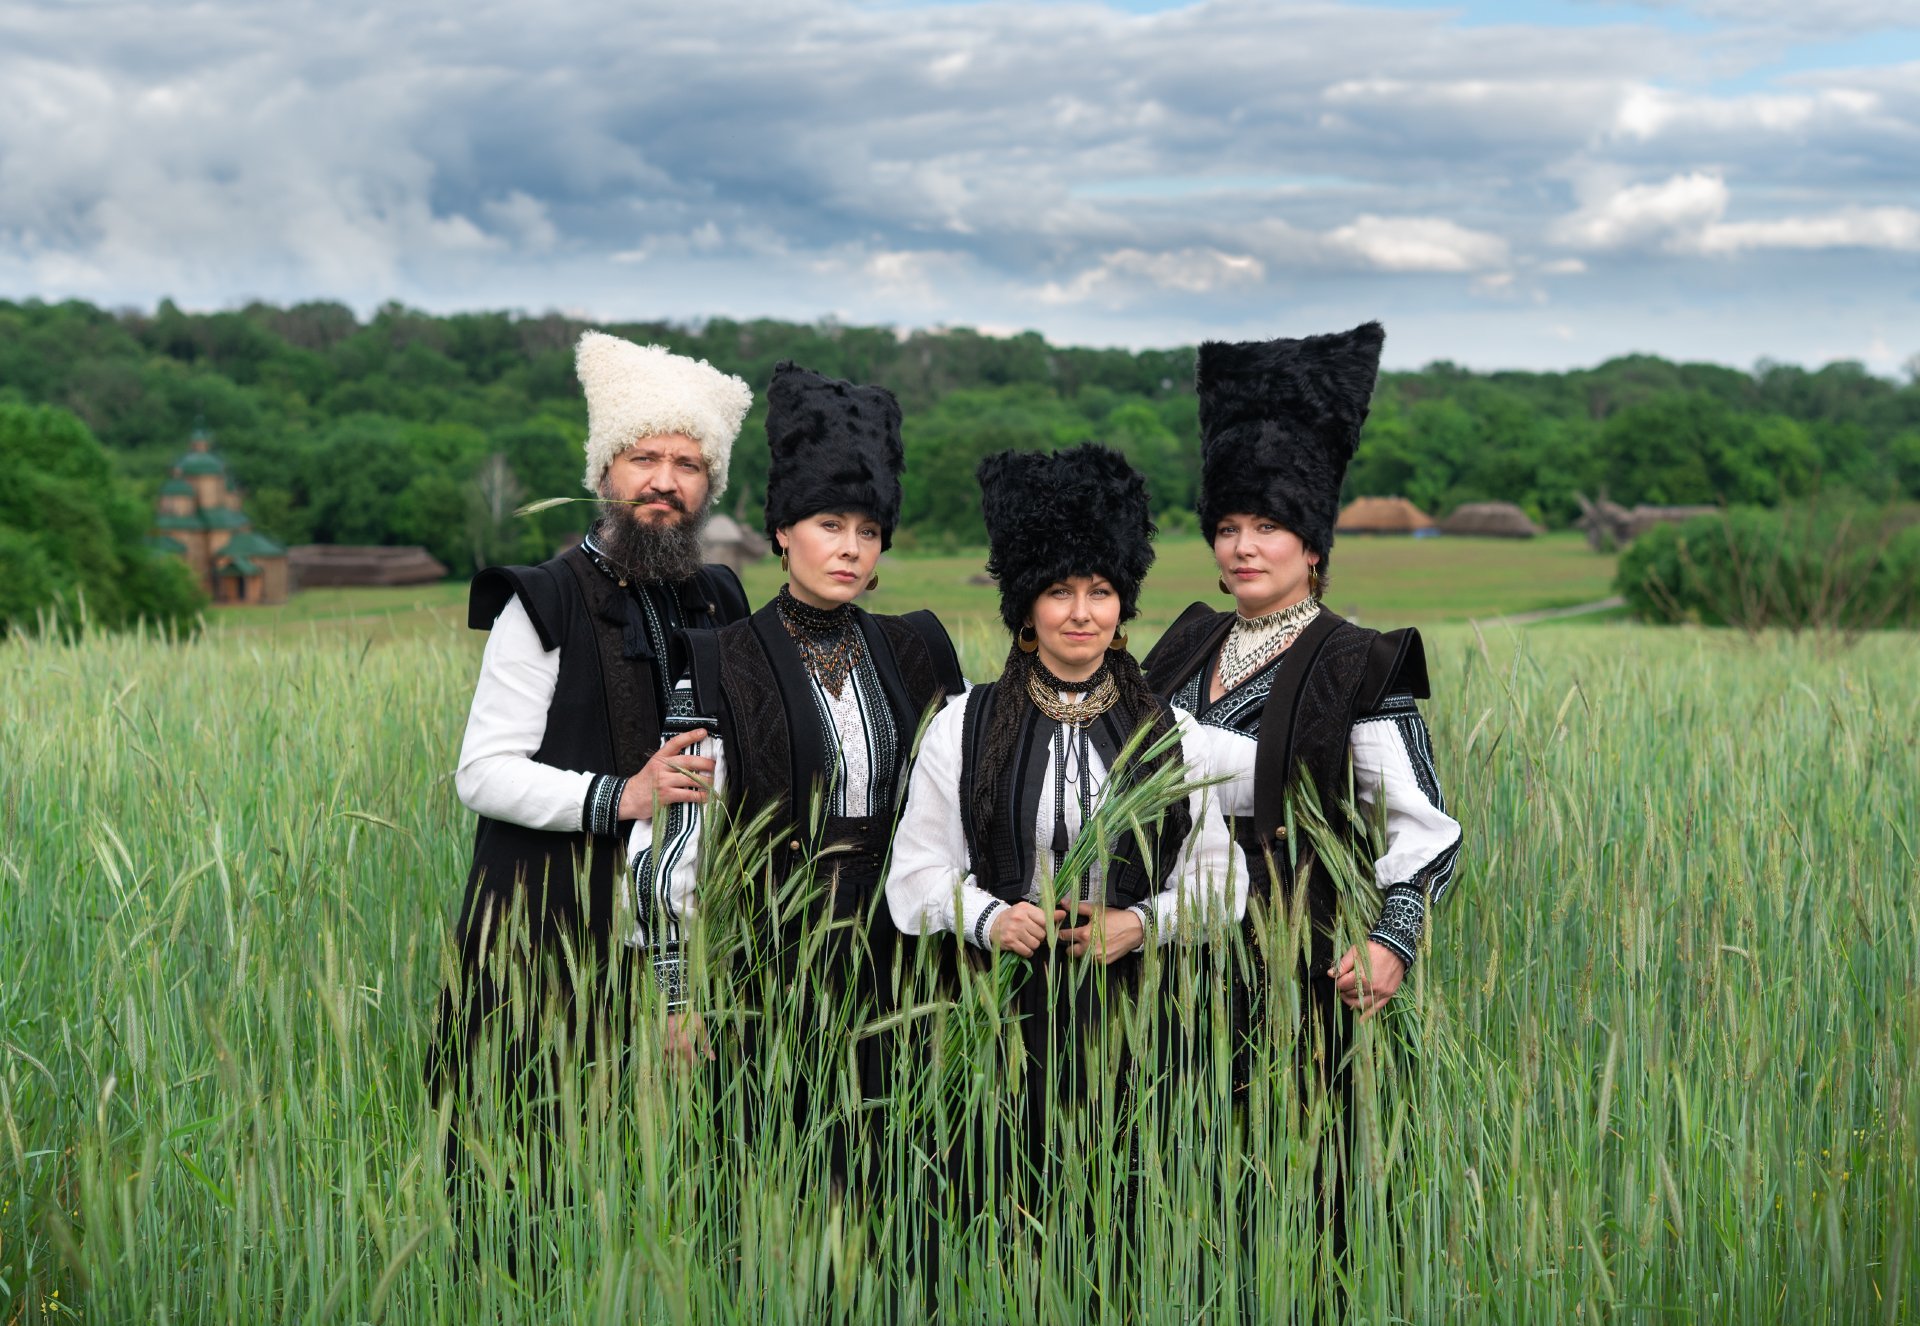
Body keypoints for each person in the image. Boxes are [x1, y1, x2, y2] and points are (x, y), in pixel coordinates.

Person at [1139, 320, 1462, 1265]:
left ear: (1313, 544)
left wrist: (1391, 942)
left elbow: (1425, 829)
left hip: (1298, 964)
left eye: (1267, 529)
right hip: (1167, 955)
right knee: (1176, 1178)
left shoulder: (1361, 660)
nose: (1243, 548)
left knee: (1297, 1191)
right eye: (1228, 529)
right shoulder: (1186, 640)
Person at [885, 442, 1245, 1219]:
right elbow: (912, 874)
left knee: (1129, 1226)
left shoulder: (1171, 733)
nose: (1081, 613)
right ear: (1026, 606)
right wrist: (986, 917)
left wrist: (1140, 925)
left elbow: (1224, 885)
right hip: (996, 1023)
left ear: (1123, 605)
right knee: (1002, 1219)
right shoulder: (962, 724)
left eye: (1101, 590)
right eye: (1058, 591)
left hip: (1143, 1027)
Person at [429, 331, 753, 1182]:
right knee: (530, 1182)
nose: (664, 481)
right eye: (643, 457)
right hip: (542, 939)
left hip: (679, 943)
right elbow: (482, 773)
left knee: (677, 1183)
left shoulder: (720, 595)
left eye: (688, 464)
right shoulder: (538, 600)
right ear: (605, 471)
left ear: (708, 483)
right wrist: (623, 796)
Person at [626, 363, 963, 1158]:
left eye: (867, 531)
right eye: (828, 525)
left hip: (909, 971)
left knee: (908, 1188)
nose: (849, 549)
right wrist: (678, 995)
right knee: (777, 1179)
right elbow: (675, 842)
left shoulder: (917, 649)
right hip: (770, 974)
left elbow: (970, 798)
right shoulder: (715, 662)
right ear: (781, 531)